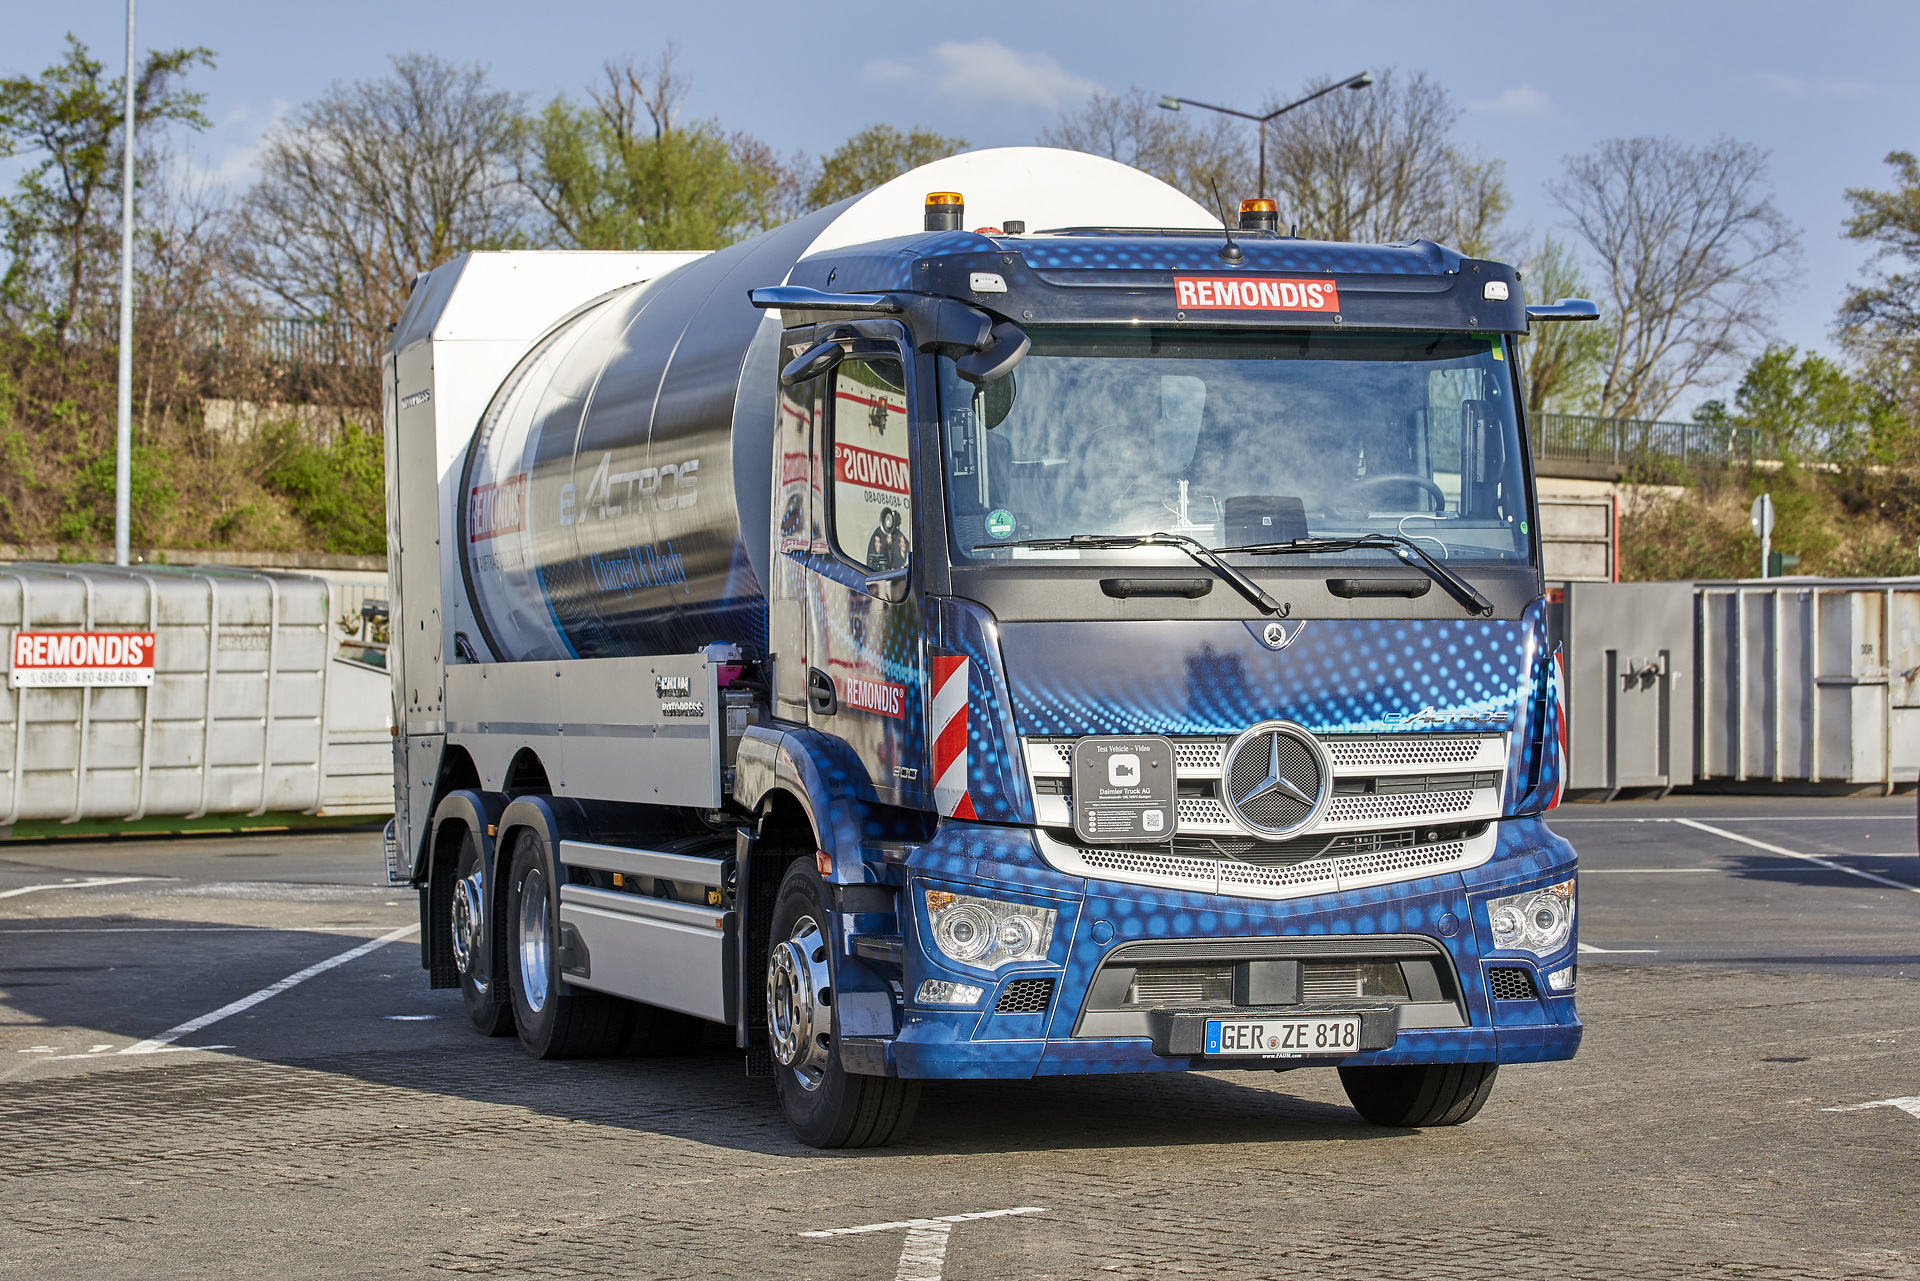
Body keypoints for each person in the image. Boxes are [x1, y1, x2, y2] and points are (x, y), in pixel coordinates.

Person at [865, 506, 909, 571]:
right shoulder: (884, 554)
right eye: (888, 537)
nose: (889, 539)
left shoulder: (899, 556)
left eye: (903, 542)